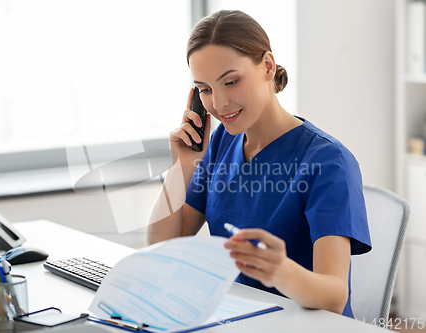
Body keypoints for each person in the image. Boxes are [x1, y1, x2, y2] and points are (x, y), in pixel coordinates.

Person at [147, 9, 371, 318]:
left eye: (231, 81)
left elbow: (334, 295)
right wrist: (182, 166)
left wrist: (282, 272)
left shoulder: (327, 161)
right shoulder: (221, 142)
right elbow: (162, 246)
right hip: (236, 318)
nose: (219, 103)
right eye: (205, 89)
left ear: (267, 66)